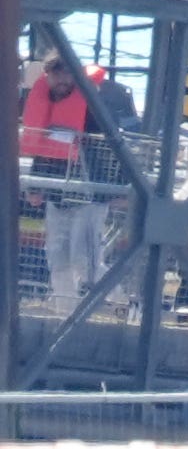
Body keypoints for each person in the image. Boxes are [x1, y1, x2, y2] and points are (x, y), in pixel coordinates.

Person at [21, 51, 110, 308]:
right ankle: (64, 314)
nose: (62, 79)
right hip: (56, 193)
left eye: (67, 73)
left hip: (88, 195)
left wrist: (111, 194)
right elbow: (42, 148)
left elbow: (103, 151)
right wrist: (36, 187)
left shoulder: (91, 107)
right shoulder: (43, 103)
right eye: (56, 73)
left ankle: (121, 303)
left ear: (75, 76)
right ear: (47, 76)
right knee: (57, 258)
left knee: (85, 259)